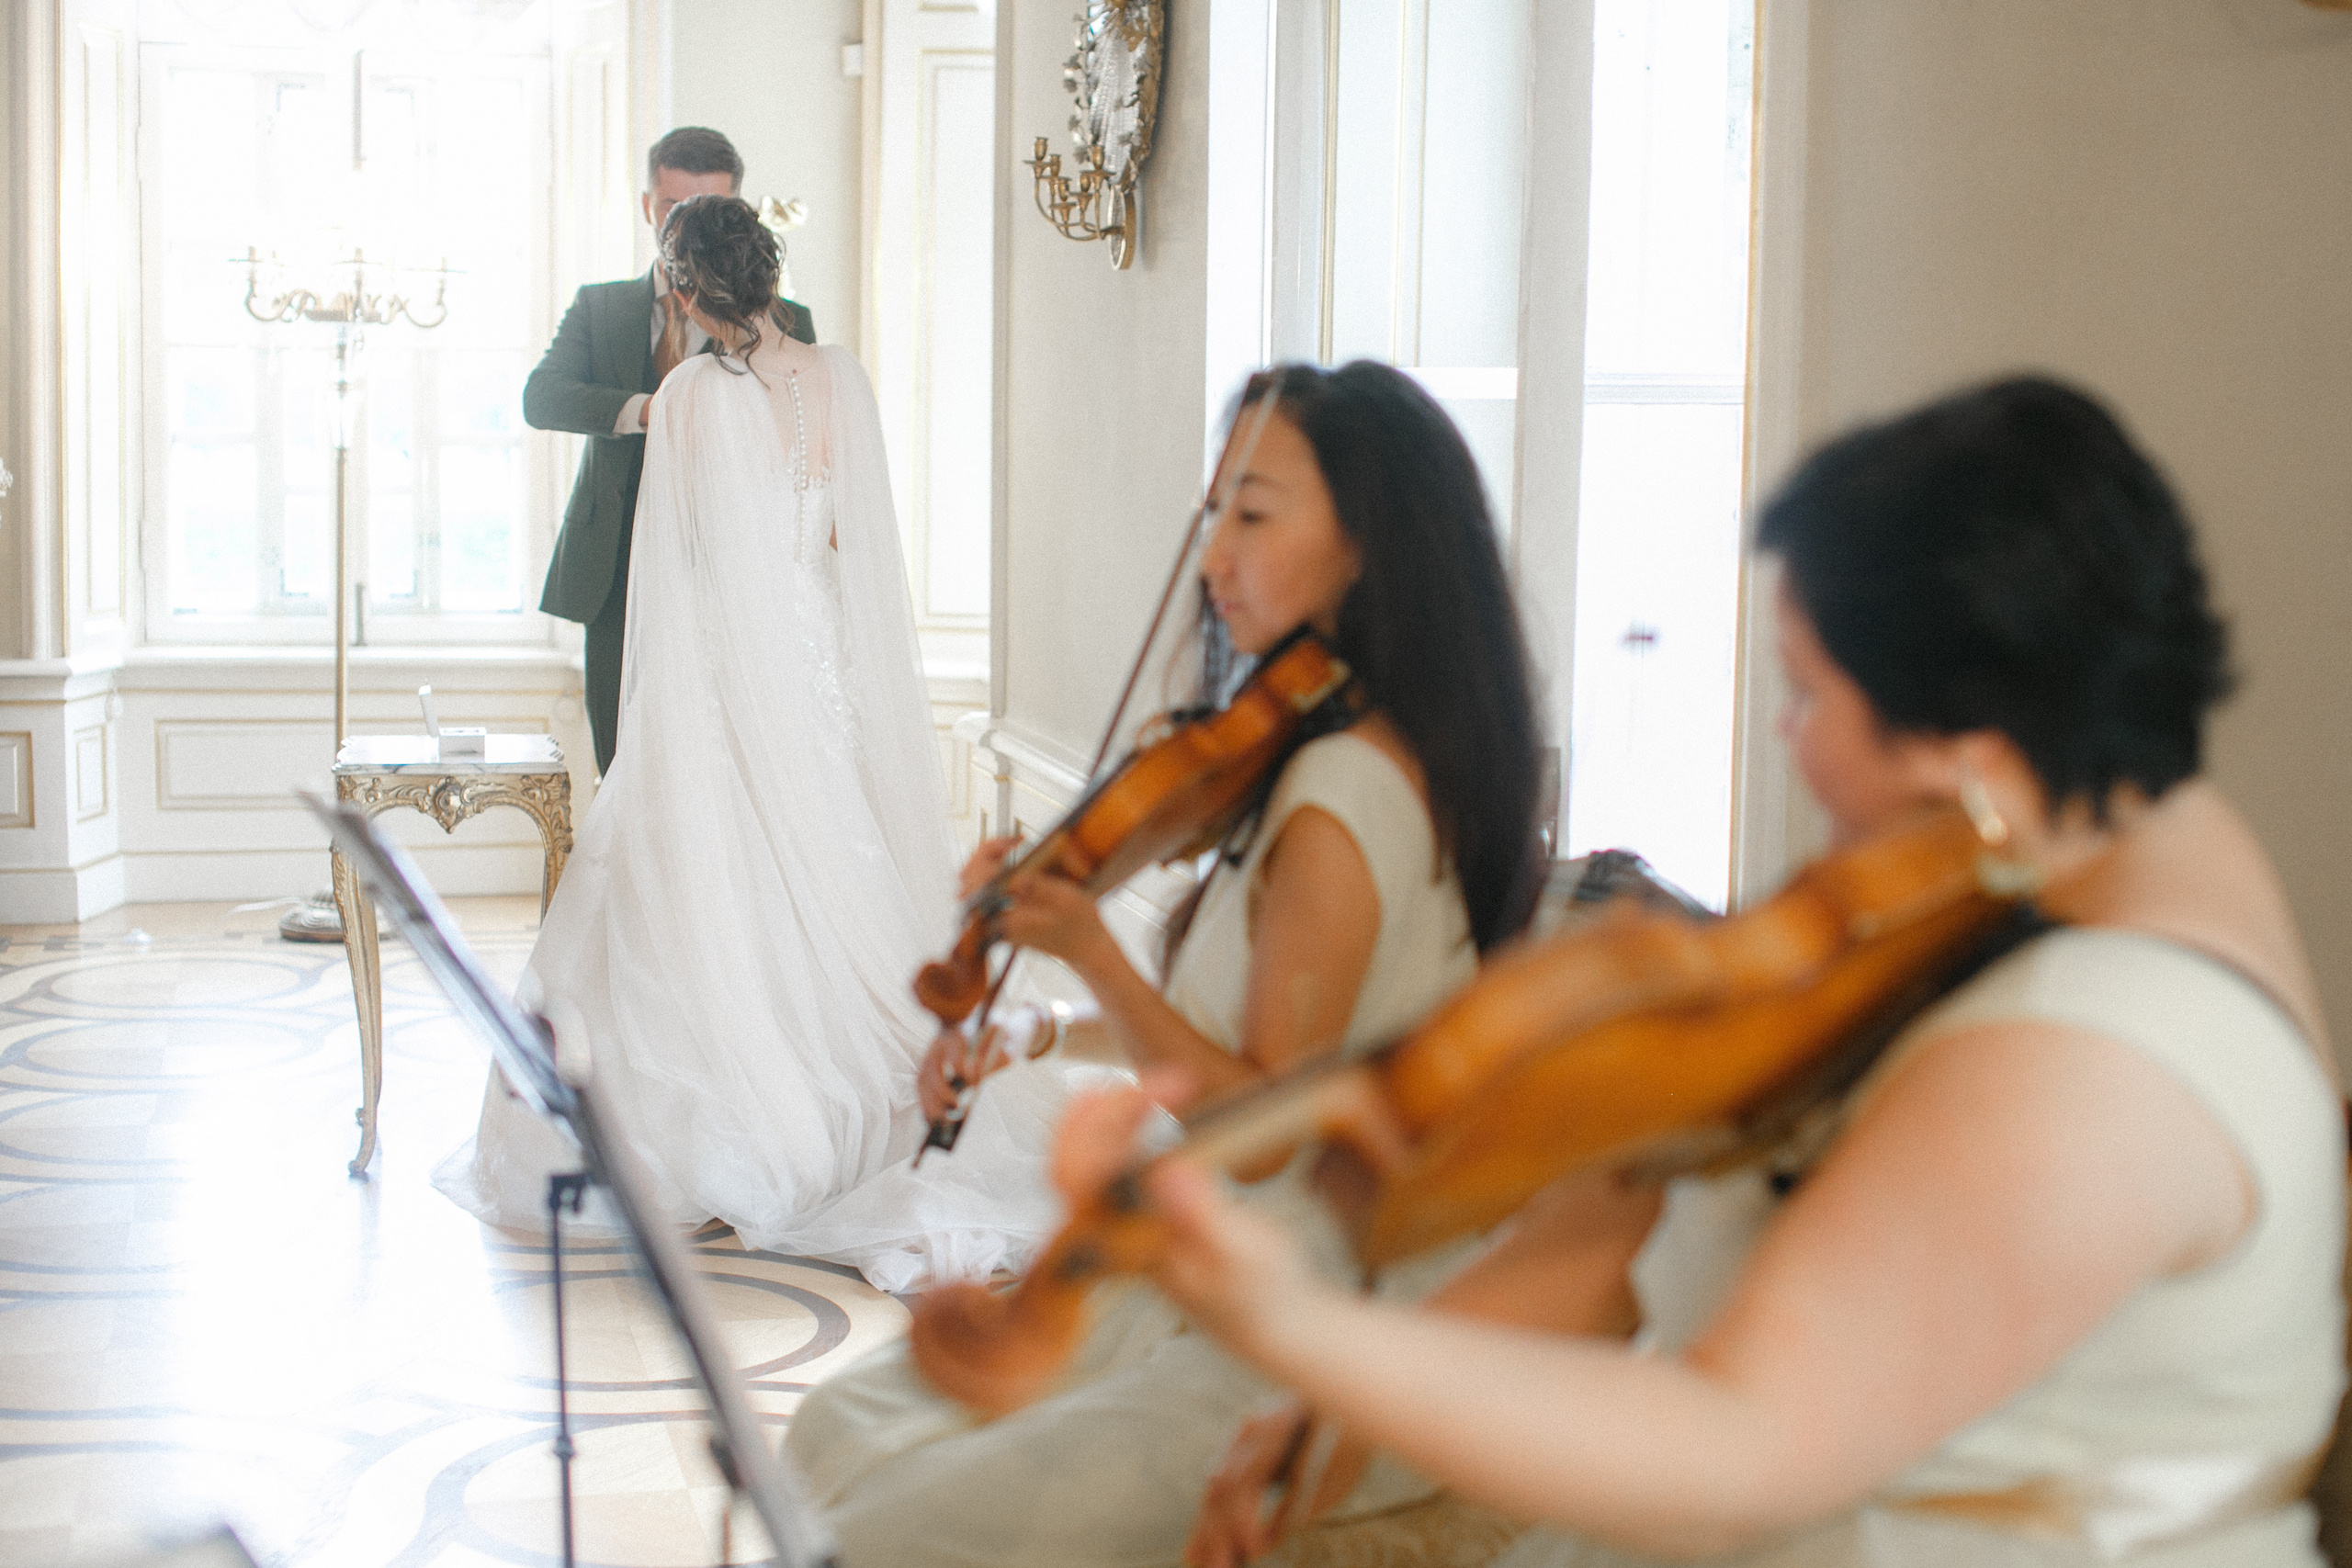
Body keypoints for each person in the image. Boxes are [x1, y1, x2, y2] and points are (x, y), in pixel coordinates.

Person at [1080, 375, 2345, 1568]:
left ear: (1967, 740)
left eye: (1804, 692)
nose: (1788, 740)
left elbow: (1746, 1433)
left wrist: (1302, 1329)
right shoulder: (2043, 865)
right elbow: (1629, 1213)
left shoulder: (2092, 1058)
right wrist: (1341, 1399)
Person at [782, 361, 1549, 1566]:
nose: (1214, 557)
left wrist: (1089, 944)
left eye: (1253, 513)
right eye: (1215, 516)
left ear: (1366, 541)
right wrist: (1033, 1026)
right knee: (840, 1424)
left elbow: (1274, 1116)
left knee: (891, 1509)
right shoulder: (1331, 748)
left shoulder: (1341, 793)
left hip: (1311, 1320)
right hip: (1216, 1269)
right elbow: (1226, 1032)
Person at [435, 195, 1076, 1291]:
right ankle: (864, 1100)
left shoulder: (685, 396)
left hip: (728, 660)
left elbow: (676, 564)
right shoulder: (842, 376)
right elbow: (842, 537)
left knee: (702, 877)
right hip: (818, 652)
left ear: (685, 295)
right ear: (771, 277)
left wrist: (672, 705)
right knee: (832, 855)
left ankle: (747, 1126)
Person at [525, 126, 818, 775]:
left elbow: (797, 446)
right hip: (614, 569)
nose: (684, 228)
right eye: (671, 210)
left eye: (702, 211)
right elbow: (541, 398)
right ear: (646, 206)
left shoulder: (786, 320)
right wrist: (643, 411)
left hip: (729, 572)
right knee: (620, 763)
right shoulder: (599, 307)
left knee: (718, 771)